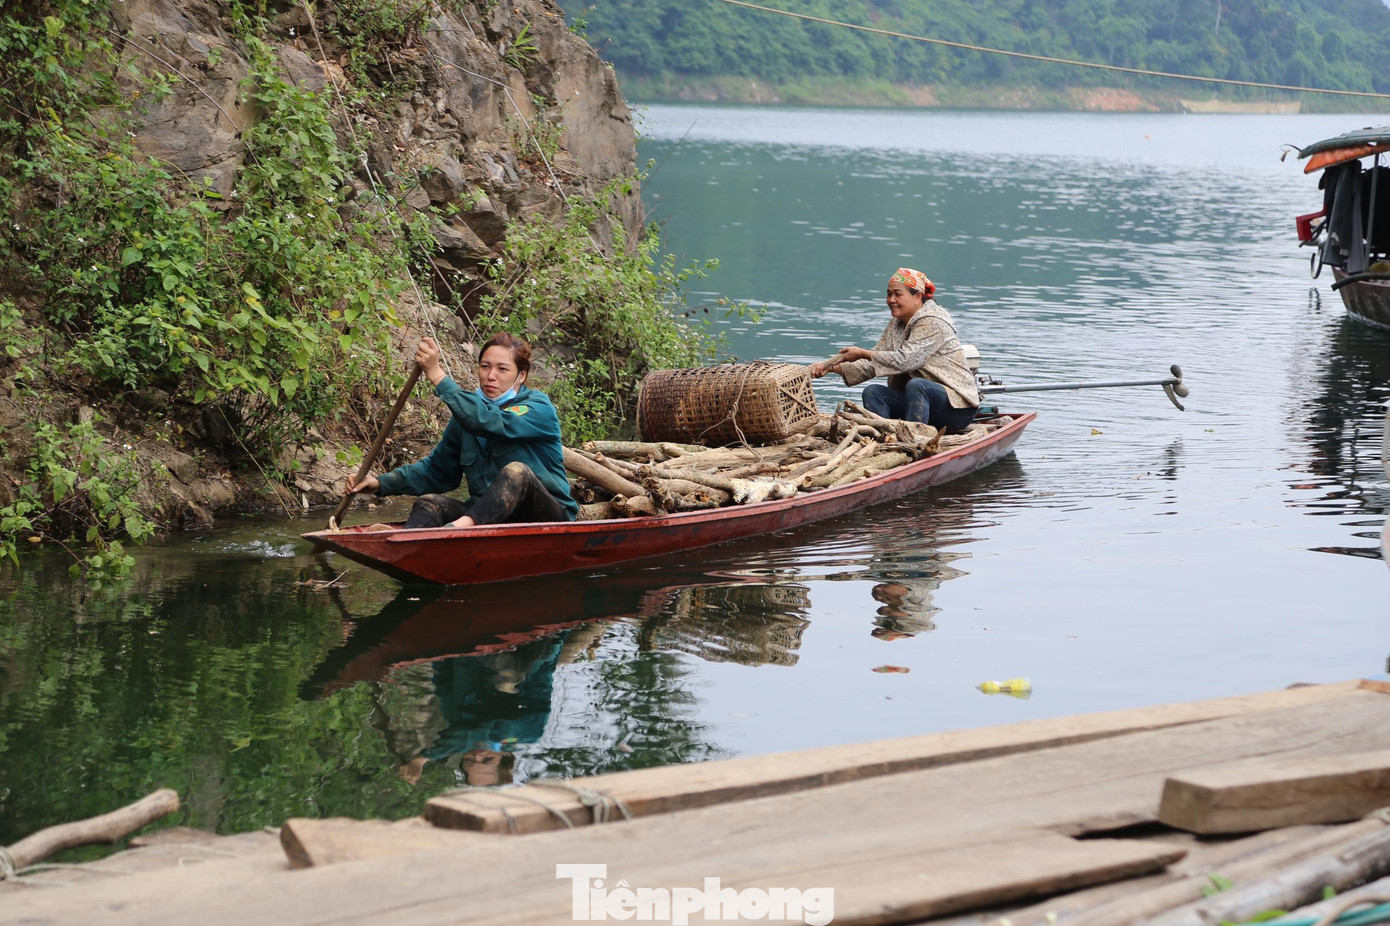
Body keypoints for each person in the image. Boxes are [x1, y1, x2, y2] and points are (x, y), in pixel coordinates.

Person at [347, 333, 578, 527]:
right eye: (485, 366)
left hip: (545, 516)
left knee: (517, 472)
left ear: (521, 376)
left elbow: (488, 421)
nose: (491, 376)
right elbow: (437, 471)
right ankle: (410, 543)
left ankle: (457, 530)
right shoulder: (466, 416)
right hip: (489, 516)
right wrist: (379, 484)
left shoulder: (537, 408)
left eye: (502, 369)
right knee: (428, 503)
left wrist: (437, 375)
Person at [809, 268, 979, 434]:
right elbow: (873, 364)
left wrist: (863, 353)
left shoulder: (934, 322)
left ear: (917, 296)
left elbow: (906, 361)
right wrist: (830, 368)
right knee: (873, 392)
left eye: (898, 294)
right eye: (889, 294)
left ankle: (912, 440)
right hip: (919, 403)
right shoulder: (896, 324)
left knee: (918, 385)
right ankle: (883, 437)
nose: (891, 299)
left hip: (956, 410)